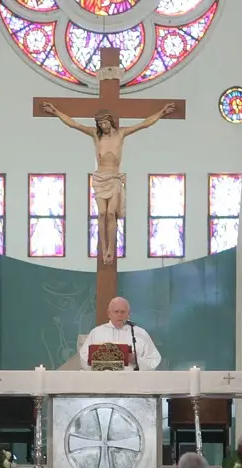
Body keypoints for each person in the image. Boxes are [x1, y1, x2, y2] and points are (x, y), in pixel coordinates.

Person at [42, 102, 176, 264]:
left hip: (114, 179)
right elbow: (74, 124)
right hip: (100, 179)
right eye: (100, 124)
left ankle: (111, 249)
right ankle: (103, 248)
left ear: (110, 121)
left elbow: (144, 124)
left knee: (111, 213)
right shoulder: (95, 135)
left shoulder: (121, 134)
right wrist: (56, 112)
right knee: (102, 214)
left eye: (105, 123)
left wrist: (161, 112)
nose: (103, 126)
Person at [79, 297, 162, 370]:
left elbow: (154, 360)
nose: (119, 315)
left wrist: (135, 360)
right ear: (109, 314)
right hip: (103, 380)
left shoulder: (140, 333)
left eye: (123, 312)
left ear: (128, 314)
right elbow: (84, 358)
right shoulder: (96, 333)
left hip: (132, 381)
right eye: (116, 311)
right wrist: (102, 363)